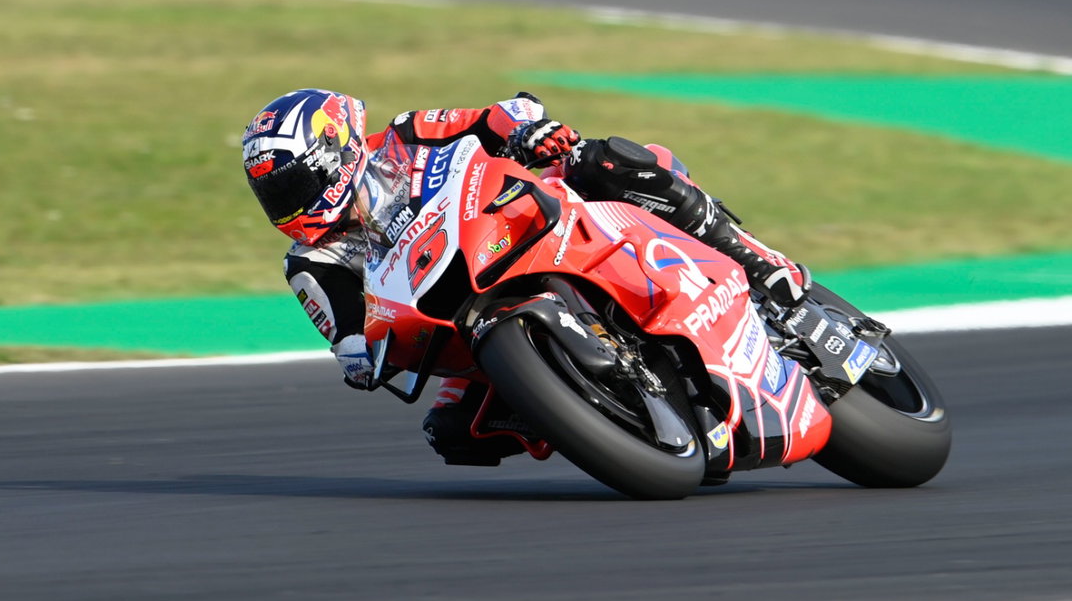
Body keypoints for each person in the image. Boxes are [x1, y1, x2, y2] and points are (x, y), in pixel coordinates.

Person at [240, 88, 812, 467]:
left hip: (516, 226)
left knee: (602, 159)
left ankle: (756, 259)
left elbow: (494, 116)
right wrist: (360, 356)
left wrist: (532, 130)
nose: (287, 205)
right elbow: (345, 334)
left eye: (291, 185)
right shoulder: (311, 261)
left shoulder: (403, 135)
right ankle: (597, 413)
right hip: (461, 324)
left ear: (334, 151)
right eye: (274, 195)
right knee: (454, 434)